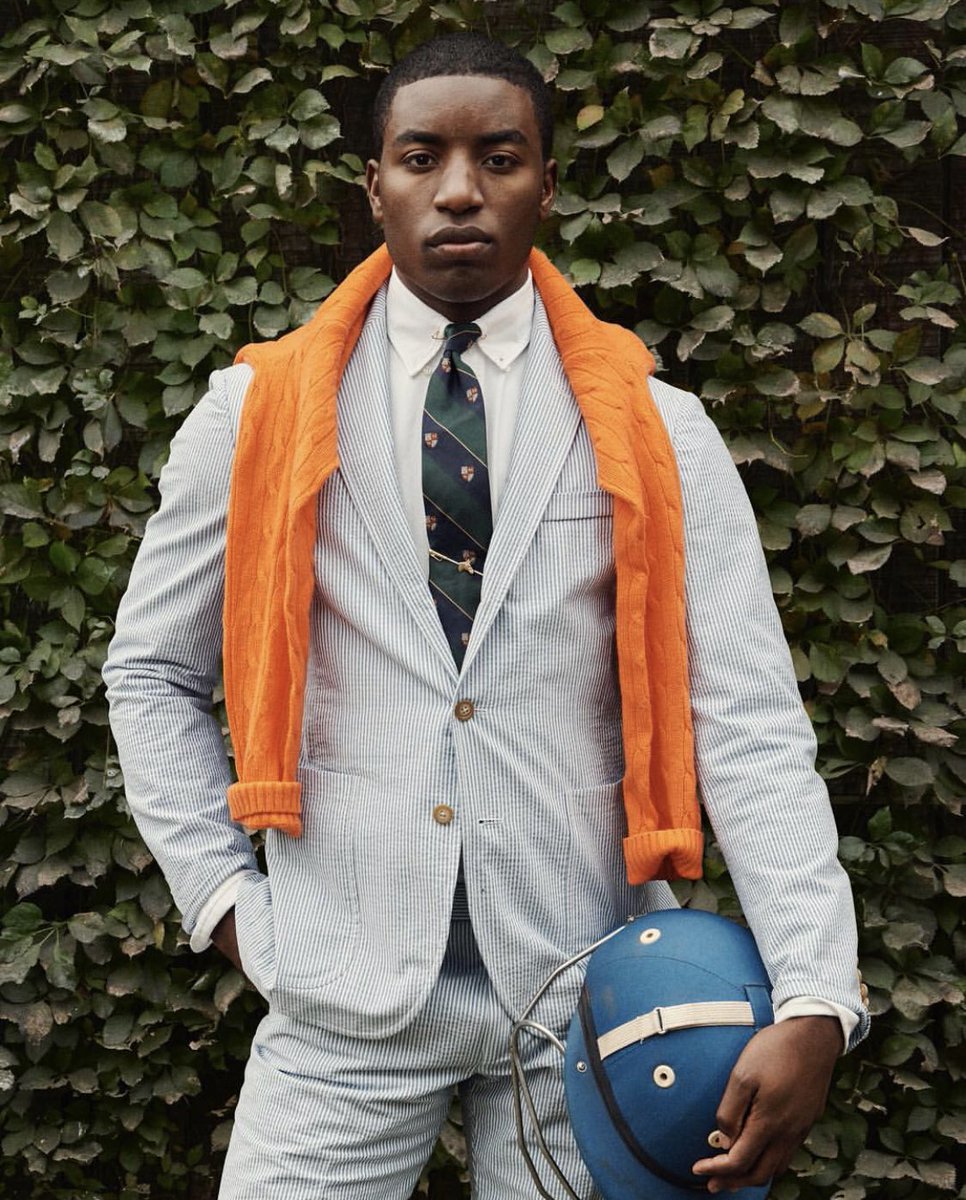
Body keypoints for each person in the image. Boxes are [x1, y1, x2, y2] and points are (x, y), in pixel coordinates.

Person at [103, 31, 869, 1200]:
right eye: (423, 157)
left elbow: (747, 718)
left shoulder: (657, 429)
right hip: (338, 1000)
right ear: (375, 185)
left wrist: (815, 995)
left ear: (546, 184)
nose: (459, 189)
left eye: (499, 158)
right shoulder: (255, 415)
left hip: (588, 1006)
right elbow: (151, 672)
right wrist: (227, 907)